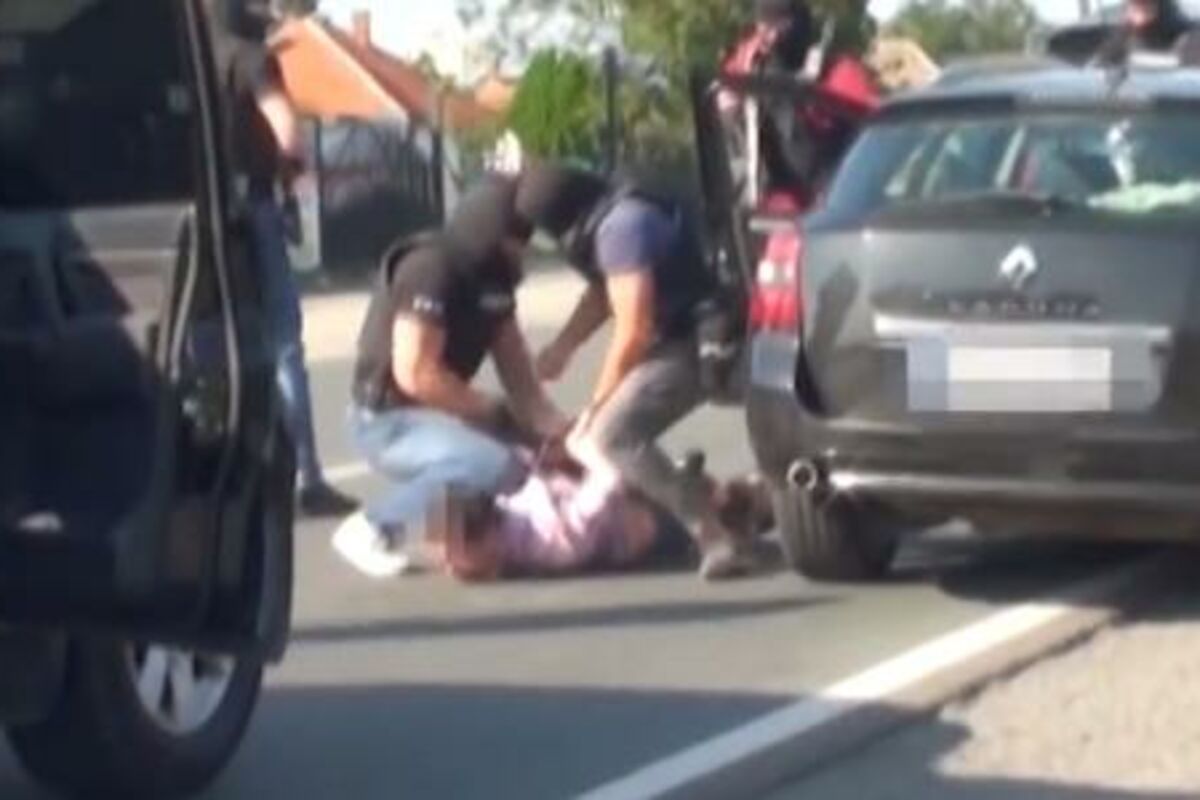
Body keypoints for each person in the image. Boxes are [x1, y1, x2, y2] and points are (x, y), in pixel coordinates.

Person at [512, 164, 756, 581]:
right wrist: (564, 347)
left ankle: (712, 535)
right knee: (600, 434)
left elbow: (634, 329)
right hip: (675, 337)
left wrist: (596, 405)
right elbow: (603, 292)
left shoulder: (621, 228)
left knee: (611, 434)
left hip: (697, 343)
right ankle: (728, 502)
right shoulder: (611, 220)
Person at [332, 176, 569, 579]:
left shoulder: (493, 281)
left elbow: (517, 371)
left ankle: (451, 544)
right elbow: (416, 373)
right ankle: (371, 526)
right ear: (493, 230)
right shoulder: (431, 268)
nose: (524, 251)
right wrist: (493, 413)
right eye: (519, 239)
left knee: (523, 454)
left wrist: (554, 431)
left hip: (436, 416)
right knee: (495, 464)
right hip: (386, 421)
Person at [208, 0, 356, 518]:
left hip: (207, 214)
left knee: (215, 343)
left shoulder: (194, 58)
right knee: (283, 343)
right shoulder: (251, 59)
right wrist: (294, 170)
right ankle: (306, 477)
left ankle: (222, 474)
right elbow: (287, 132)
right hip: (255, 209)